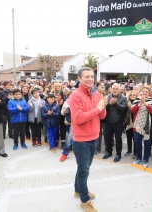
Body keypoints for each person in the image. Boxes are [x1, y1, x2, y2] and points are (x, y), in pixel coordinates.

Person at [69, 67, 107, 212]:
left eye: (92, 76)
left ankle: (78, 190)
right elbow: (78, 119)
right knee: (84, 170)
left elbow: (102, 116)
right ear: (79, 79)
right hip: (81, 140)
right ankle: (84, 200)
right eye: (87, 77)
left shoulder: (96, 94)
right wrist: (98, 108)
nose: (90, 79)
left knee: (84, 168)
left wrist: (102, 106)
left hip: (94, 137)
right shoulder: (75, 96)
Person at [131, 85, 152, 167]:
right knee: (137, 144)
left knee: (147, 144)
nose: (145, 93)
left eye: (147, 91)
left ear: (149, 93)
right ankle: (138, 159)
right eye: (144, 91)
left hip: (147, 128)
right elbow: (132, 110)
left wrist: (145, 103)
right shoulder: (137, 100)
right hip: (137, 126)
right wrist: (140, 103)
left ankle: (145, 160)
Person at [102, 83, 127, 162]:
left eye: (116, 89)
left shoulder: (123, 98)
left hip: (118, 122)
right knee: (107, 138)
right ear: (111, 89)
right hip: (108, 121)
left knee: (118, 139)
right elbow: (103, 108)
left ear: (119, 90)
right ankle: (108, 152)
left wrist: (115, 103)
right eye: (113, 88)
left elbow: (123, 109)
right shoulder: (108, 97)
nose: (115, 90)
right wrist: (109, 103)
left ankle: (118, 154)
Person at [124, 90, 137, 158]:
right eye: (131, 95)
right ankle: (129, 150)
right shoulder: (127, 102)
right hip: (128, 123)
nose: (132, 96)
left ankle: (135, 152)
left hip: (135, 123)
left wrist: (131, 106)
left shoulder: (137, 102)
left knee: (135, 138)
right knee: (129, 137)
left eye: (134, 95)